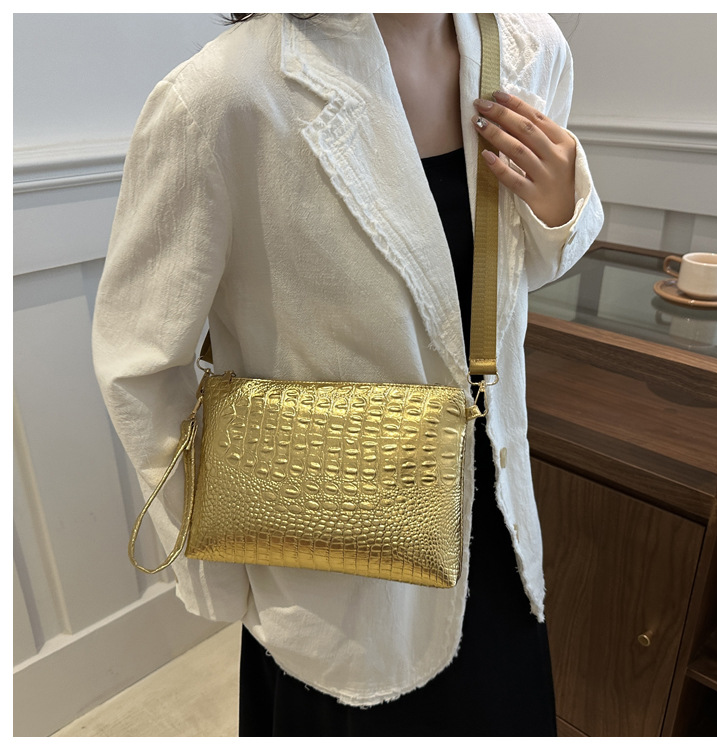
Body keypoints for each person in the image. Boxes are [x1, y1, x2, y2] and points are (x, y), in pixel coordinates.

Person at [92, 13, 603, 736]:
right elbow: (140, 365)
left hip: (500, 531)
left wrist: (562, 208)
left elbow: (512, 276)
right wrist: (224, 559)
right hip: (334, 573)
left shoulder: (529, 46)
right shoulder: (223, 95)